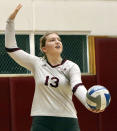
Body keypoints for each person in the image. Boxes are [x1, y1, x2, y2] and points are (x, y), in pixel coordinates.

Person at [5, 4, 103, 131]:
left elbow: (77, 86)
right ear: (44, 48)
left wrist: (89, 102)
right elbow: (11, 48)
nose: (57, 41)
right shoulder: (37, 63)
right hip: (42, 119)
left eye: (59, 39)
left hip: (67, 120)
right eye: (52, 40)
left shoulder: (71, 66)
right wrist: (10, 21)